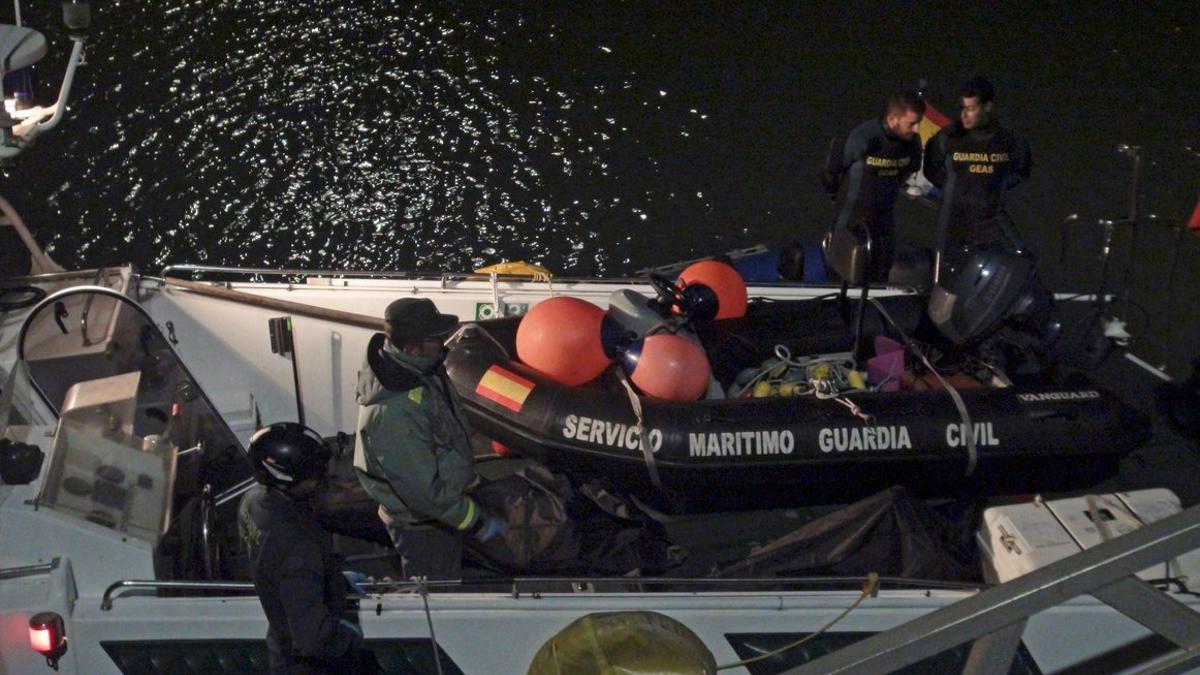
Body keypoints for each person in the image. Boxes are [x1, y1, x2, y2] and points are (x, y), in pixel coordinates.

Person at [353, 297, 507, 581]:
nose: (444, 342)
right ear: (412, 347)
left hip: (438, 510)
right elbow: (424, 493)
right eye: (436, 338)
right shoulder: (393, 413)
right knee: (435, 594)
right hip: (422, 525)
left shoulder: (419, 370)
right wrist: (474, 520)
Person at [238, 422, 375, 674]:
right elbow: (314, 638)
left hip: (281, 644)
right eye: (313, 475)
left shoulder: (252, 502)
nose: (320, 479)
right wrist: (355, 640)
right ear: (284, 477)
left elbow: (279, 576)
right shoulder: (297, 546)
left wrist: (332, 580)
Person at [923, 76, 1033, 277]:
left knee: (1022, 265)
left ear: (988, 107)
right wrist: (955, 188)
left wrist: (993, 185)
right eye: (962, 108)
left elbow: (1022, 170)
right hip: (953, 222)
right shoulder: (948, 137)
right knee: (947, 280)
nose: (964, 115)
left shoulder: (1009, 139)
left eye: (971, 109)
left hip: (992, 220)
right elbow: (931, 170)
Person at [820, 90, 925, 283]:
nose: (917, 129)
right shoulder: (863, 137)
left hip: (883, 223)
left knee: (880, 277)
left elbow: (909, 170)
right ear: (893, 119)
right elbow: (831, 172)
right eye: (912, 123)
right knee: (840, 279)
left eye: (919, 122)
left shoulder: (912, 144)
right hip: (851, 221)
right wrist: (836, 196)